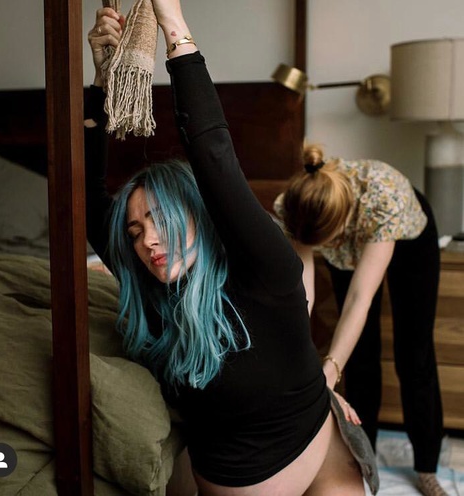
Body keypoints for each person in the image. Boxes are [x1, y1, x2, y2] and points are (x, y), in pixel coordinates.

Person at [84, 2, 378, 495]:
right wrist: (99, 81)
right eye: (135, 231)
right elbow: (86, 197)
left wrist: (173, 24)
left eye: (161, 220)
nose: (148, 240)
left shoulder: (265, 270)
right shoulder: (149, 285)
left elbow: (213, 154)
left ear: (200, 216)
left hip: (326, 446)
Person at [274, 143, 446, 496]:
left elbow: (359, 299)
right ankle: (362, 460)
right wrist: (299, 354)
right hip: (340, 230)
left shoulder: (384, 200)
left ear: (342, 227)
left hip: (409, 236)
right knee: (361, 355)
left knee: (413, 354)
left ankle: (427, 467)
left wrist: (330, 368)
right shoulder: (297, 205)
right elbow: (302, 289)